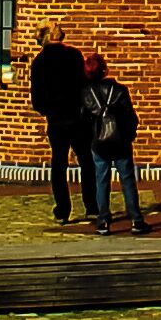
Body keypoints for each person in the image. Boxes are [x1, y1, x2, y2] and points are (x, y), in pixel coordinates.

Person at [27, 27, 91, 226]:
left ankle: (62, 210)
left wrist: (49, 110)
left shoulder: (39, 63)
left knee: (59, 164)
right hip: (77, 117)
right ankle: (92, 206)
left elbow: (37, 100)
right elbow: (84, 86)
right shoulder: (74, 56)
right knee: (86, 161)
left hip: (56, 119)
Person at [81, 51, 147, 234]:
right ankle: (136, 219)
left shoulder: (87, 94)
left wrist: (90, 139)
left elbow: (84, 120)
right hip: (120, 141)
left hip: (98, 143)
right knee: (127, 180)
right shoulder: (119, 90)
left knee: (101, 181)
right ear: (104, 69)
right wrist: (129, 135)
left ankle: (102, 221)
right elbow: (131, 117)